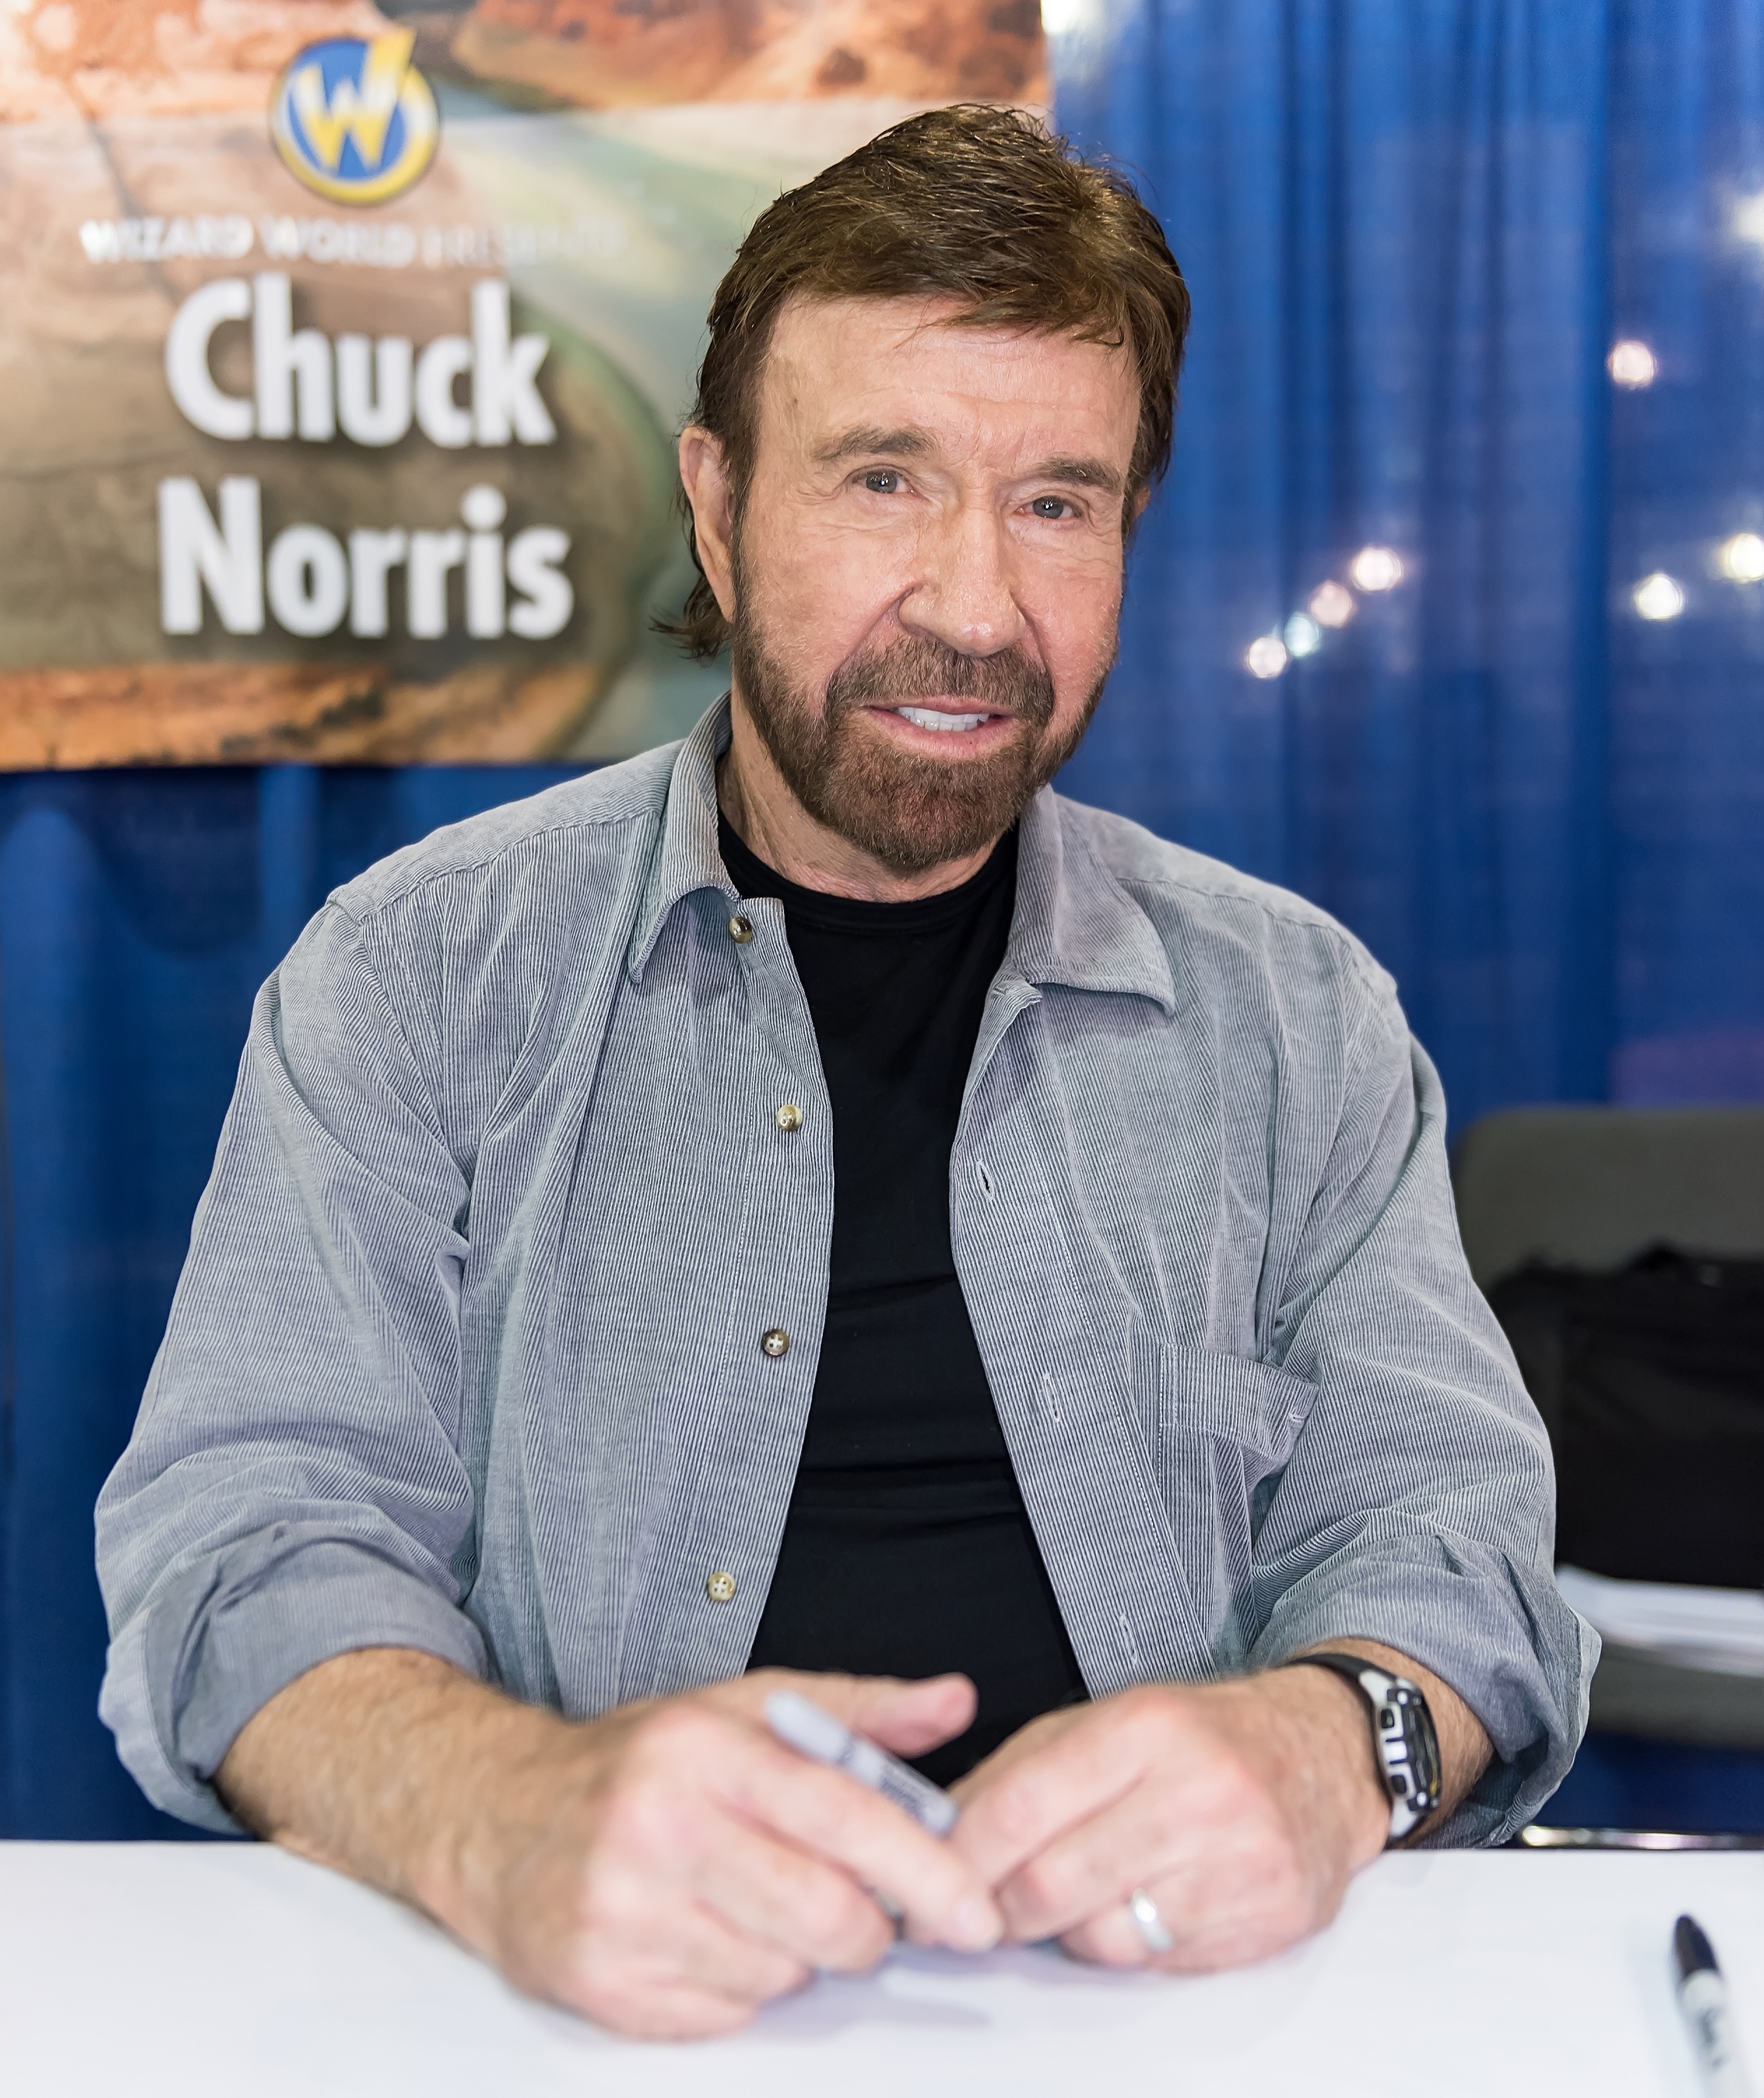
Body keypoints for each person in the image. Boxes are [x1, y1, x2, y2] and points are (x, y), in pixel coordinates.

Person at [96, 106, 1590, 2041]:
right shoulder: (417, 978)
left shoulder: (1292, 1012)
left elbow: (1450, 1536)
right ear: (715, 510)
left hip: (1192, 2010)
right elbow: (241, 1550)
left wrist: (1329, 1744)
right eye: (884, 479)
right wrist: (505, 1807)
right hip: (584, 2011)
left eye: (1056, 502)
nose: (975, 607)